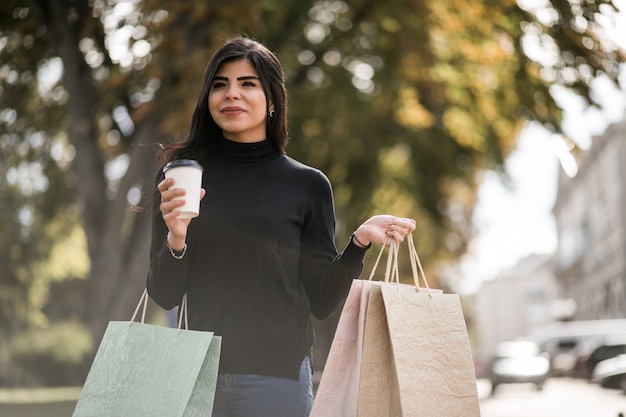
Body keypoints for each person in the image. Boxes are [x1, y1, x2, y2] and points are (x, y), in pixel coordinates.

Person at [146, 36, 416, 417]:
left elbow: (320, 300)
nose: (231, 94)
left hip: (277, 383)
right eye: (220, 85)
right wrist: (176, 237)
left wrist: (358, 243)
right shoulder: (181, 177)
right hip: (196, 379)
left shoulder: (307, 185)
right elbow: (164, 293)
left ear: (272, 100)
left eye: (247, 84)